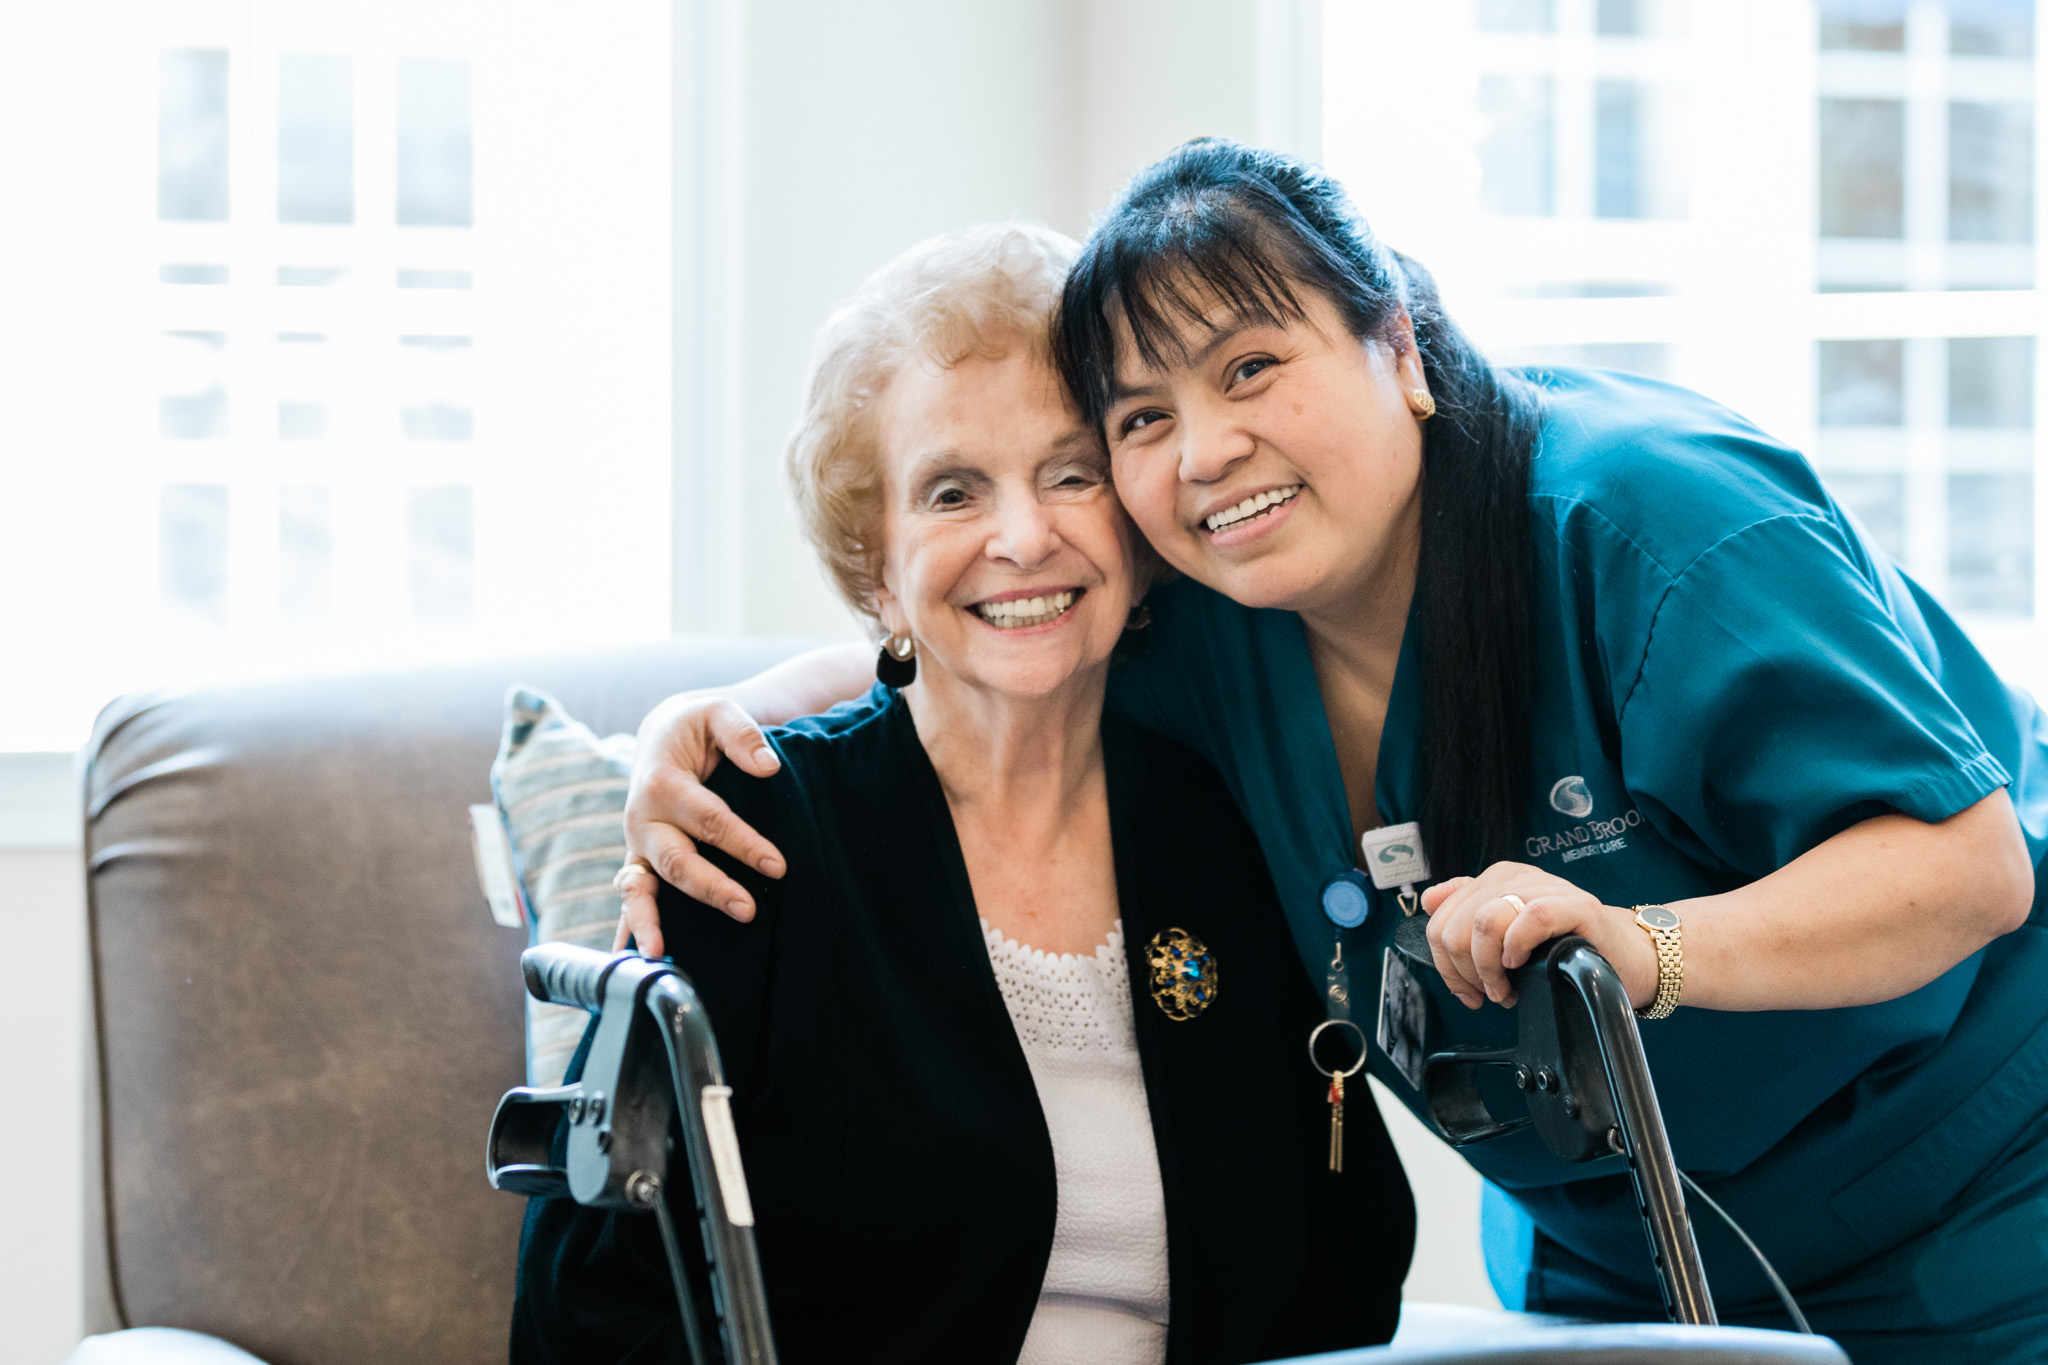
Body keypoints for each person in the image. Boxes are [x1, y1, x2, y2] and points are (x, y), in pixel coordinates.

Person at [620, 141, 2048, 1362]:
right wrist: (709, 731)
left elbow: (1967, 868)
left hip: (1976, 1197)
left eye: (1253, 367)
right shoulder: (1216, 617)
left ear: (1401, 346)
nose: (1207, 451)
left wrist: (1639, 944)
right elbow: (988, 634)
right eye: (1142, 419)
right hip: (1619, 1249)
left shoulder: (1646, 523)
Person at [511, 222, 1413, 1365]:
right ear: (875, 568)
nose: (1022, 536)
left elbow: (1345, 1253)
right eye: (951, 492)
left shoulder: (1224, 822)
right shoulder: (745, 835)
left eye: (1069, 474)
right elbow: (584, 1311)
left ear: (1134, 525)